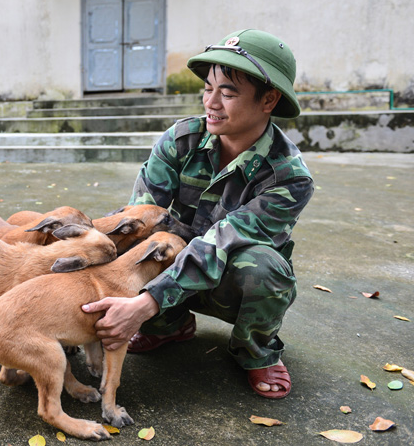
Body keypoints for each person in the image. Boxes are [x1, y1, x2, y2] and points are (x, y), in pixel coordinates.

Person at [82, 29, 314, 399]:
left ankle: (255, 351)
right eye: (208, 88)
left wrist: (144, 304)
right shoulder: (181, 139)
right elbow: (137, 216)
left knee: (265, 268)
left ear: (268, 99)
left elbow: (221, 243)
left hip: (230, 281)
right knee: (137, 235)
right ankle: (169, 324)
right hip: (175, 265)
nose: (212, 103)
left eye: (229, 92)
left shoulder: (287, 176)